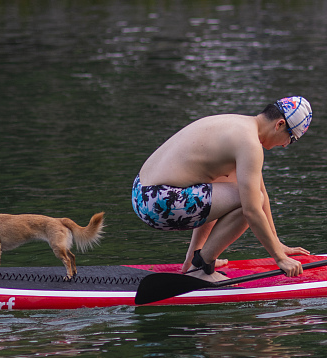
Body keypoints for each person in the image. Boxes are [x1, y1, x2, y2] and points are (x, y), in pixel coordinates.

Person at [132, 96, 313, 282]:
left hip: (141, 194)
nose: (284, 145)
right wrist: (280, 259)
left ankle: (192, 260)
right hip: (159, 201)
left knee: (230, 183)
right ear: (279, 124)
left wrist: (277, 243)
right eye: (290, 139)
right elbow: (252, 210)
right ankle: (202, 267)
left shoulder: (240, 125)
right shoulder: (250, 145)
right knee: (250, 201)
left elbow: (261, 189)